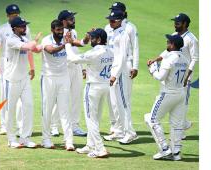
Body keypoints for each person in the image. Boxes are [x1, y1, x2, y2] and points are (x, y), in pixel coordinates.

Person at [148, 13, 199, 139]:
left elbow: (195, 58)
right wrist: (156, 59)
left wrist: (187, 76)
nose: (175, 24)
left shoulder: (192, 39)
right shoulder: (175, 35)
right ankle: (184, 124)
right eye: (175, 22)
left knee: (183, 103)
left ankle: (181, 129)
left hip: (183, 75)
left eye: (177, 22)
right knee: (178, 102)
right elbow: (167, 51)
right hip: (172, 74)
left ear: (185, 24)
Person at [65, 28, 113, 158]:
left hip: (93, 88)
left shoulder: (93, 53)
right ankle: (90, 145)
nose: (90, 40)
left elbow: (73, 59)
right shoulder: (110, 51)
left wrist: (68, 44)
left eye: (92, 38)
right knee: (96, 117)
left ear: (98, 39)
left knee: (91, 120)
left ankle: (100, 148)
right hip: (105, 87)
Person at [145, 34, 189, 161]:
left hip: (168, 93)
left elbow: (160, 77)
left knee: (151, 119)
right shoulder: (185, 59)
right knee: (176, 124)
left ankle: (165, 149)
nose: (167, 43)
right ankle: (176, 153)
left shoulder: (169, 59)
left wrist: (153, 69)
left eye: (168, 42)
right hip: (181, 93)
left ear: (173, 45)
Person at [0, 4, 35, 135]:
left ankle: (20, 125)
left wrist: (32, 66)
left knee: (22, 98)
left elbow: (28, 48)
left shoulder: (24, 28)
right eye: (13, 15)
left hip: (21, 63)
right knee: (5, 95)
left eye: (17, 14)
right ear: (7, 16)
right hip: (6, 63)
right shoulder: (1, 29)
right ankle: (4, 125)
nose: (16, 16)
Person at [104, 2, 139, 144]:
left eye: (115, 13)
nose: (111, 20)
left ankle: (130, 132)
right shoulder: (110, 28)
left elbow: (132, 50)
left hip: (124, 67)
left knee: (124, 101)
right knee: (114, 101)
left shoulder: (129, 28)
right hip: (112, 66)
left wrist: (135, 66)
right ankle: (118, 130)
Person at [49, 10, 88, 137]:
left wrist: (82, 67)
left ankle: (74, 126)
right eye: (71, 19)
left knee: (76, 97)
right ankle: (54, 126)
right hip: (64, 68)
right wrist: (84, 41)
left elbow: (75, 50)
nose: (74, 20)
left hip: (75, 67)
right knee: (60, 98)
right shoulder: (59, 33)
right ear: (64, 21)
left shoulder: (73, 32)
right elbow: (74, 44)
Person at [4, 16, 41, 148]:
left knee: (29, 106)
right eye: (22, 26)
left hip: (24, 79)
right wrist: (35, 40)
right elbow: (30, 46)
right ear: (14, 28)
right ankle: (11, 139)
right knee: (11, 110)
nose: (24, 27)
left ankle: (25, 138)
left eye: (25, 25)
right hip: (12, 79)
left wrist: (49, 45)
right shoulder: (11, 40)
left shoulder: (24, 39)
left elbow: (35, 49)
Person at [39, 19, 74, 151]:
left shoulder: (66, 39)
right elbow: (51, 50)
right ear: (52, 30)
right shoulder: (46, 40)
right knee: (47, 109)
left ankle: (69, 141)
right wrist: (65, 44)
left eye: (62, 30)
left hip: (64, 78)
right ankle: (46, 139)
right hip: (49, 78)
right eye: (58, 30)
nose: (60, 32)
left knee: (65, 110)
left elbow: (77, 43)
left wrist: (85, 40)